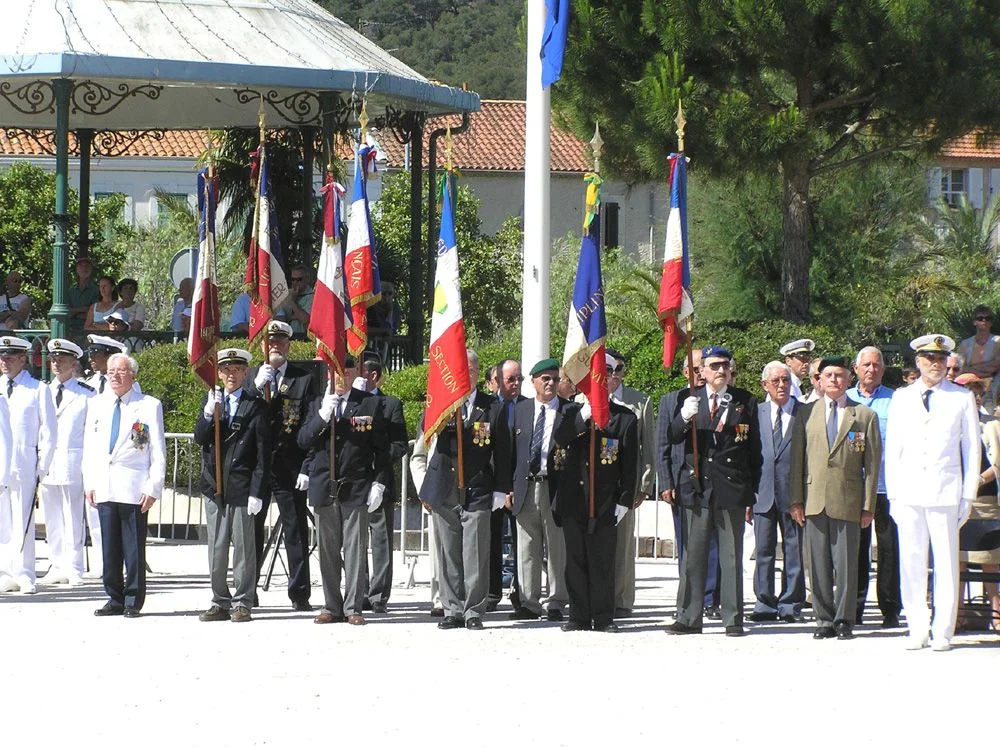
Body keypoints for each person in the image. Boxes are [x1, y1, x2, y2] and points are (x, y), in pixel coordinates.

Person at [885, 334, 980, 651]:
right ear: (918, 362)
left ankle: (943, 631)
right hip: (910, 490)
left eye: (941, 359)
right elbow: (894, 448)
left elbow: (971, 448)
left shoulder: (960, 397)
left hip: (946, 491)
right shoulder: (902, 397)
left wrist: (968, 495)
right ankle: (917, 627)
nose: (936, 365)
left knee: (946, 564)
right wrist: (894, 495)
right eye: (929, 359)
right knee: (911, 561)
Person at [665, 346, 762, 637]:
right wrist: (683, 418)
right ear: (702, 372)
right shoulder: (687, 398)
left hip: (731, 487)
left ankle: (733, 618)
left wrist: (751, 492)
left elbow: (754, 451)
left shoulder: (744, 401)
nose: (721, 370)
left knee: (731, 558)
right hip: (697, 487)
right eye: (715, 366)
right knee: (693, 556)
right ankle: (688, 616)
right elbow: (672, 438)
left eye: (725, 365)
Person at [412, 349, 511, 631]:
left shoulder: (493, 407)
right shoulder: (440, 403)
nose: (464, 374)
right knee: (448, 551)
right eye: (459, 369)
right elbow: (426, 434)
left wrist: (501, 489)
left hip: (479, 486)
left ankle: (473, 610)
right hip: (444, 486)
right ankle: (452, 608)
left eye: (469, 369)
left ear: (478, 373)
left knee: (475, 551)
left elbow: (503, 451)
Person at [790, 356, 882, 641]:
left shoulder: (864, 415)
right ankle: (823, 619)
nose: (833, 380)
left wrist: (868, 506)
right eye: (827, 375)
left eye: (839, 375)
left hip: (848, 500)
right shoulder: (806, 413)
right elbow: (797, 462)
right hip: (814, 498)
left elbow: (872, 464)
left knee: (846, 564)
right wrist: (796, 500)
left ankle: (844, 619)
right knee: (817, 564)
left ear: (848, 380)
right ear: (818, 380)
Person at [299, 355, 391, 626]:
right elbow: (303, 440)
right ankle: (331, 605)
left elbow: (381, 449)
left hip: (356, 484)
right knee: (327, 550)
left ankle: (353, 606)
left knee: (354, 548)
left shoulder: (369, 403)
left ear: (354, 373)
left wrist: (379, 483)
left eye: (346, 369)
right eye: (335, 369)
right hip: (324, 485)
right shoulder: (317, 402)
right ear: (328, 373)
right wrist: (322, 416)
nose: (341, 374)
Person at [553, 364, 638, 633]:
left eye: (609, 373)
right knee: (575, 560)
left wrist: (624, 500)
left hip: (605, 500)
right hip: (574, 498)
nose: (604, 378)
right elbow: (559, 440)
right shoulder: (568, 411)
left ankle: (603, 617)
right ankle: (578, 615)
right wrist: (583, 418)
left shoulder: (624, 417)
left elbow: (630, 463)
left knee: (603, 559)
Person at [84, 352, 166, 617]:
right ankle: (114, 597)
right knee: (109, 547)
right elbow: (90, 448)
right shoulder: (97, 404)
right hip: (105, 484)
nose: (114, 376)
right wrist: (90, 482)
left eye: (120, 371)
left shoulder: (148, 405)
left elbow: (157, 451)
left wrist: (153, 487)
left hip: (134, 486)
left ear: (133, 375)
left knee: (133, 547)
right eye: (110, 371)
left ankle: (133, 599)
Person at [193, 348, 269, 623]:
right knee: (217, 547)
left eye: (236, 370)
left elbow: (262, 453)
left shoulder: (255, 405)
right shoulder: (213, 400)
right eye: (225, 370)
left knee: (244, 549)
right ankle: (219, 599)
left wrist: (257, 491)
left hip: (241, 484)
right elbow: (201, 438)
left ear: (245, 372)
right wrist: (206, 414)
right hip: (215, 485)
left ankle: (243, 600)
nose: (231, 375)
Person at [243, 320, 315, 610]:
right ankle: (247, 590)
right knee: (251, 532)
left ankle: (299, 594)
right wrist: (256, 386)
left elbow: (310, 425)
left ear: (289, 344)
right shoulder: (249, 377)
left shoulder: (303, 379)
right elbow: (242, 415)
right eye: (270, 341)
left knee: (295, 529)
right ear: (263, 344)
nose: (275, 345)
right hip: (256, 468)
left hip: (289, 465)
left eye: (281, 341)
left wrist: (307, 467)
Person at [657, 347, 722, 614]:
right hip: (682, 483)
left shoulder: (720, 399)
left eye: (702, 369)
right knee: (687, 545)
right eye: (694, 370)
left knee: (714, 545)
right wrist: (665, 483)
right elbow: (662, 444)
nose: (699, 375)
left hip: (713, 483)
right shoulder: (671, 400)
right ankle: (688, 598)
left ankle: (710, 599)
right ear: (686, 372)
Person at [507, 358, 569, 622]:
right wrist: (506, 488)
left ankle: (556, 601)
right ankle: (528, 602)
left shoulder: (570, 411)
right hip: (525, 486)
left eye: (555, 379)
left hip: (554, 487)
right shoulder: (519, 410)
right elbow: (508, 451)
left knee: (557, 547)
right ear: (533, 382)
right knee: (526, 547)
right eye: (545, 379)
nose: (551, 384)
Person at [846, 346, 901, 628]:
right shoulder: (846, 399)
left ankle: (890, 608)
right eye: (866, 364)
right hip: (856, 486)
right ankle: (854, 607)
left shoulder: (896, 400)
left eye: (877, 365)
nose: (872, 369)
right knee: (857, 548)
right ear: (856, 369)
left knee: (890, 547)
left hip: (888, 486)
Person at [748, 361, 805, 623]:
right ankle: (765, 603)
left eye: (785, 380)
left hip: (794, 496)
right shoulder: (755, 413)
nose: (782, 385)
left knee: (794, 550)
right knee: (763, 550)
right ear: (764, 386)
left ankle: (791, 604)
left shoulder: (804, 413)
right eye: (776, 381)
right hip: (763, 493)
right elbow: (748, 456)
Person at [0, 336, 56, 594]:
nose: (4, 362)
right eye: (2, 357)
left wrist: (42, 466)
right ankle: (5, 572)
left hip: (24, 463)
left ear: (23, 359)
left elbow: (48, 431)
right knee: (3, 521)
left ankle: (25, 574)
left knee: (23, 520)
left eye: (10, 357)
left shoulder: (37, 389)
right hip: (2, 463)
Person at [38, 339, 94, 587]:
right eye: (53, 359)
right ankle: (56, 563)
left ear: (74, 363)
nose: (56, 363)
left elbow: (92, 433)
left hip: (74, 461)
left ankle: (74, 566)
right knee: (52, 517)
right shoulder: (43, 392)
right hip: (48, 463)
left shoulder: (86, 394)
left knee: (73, 517)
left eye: (62, 359)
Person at [358, 353, 408, 613]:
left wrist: (377, 459)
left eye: (360, 372)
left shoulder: (390, 404)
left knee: (380, 542)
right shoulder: (350, 403)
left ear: (372, 375)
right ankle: (359, 590)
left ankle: (378, 596)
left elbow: (400, 445)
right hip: (353, 481)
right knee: (354, 542)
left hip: (380, 480)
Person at [607, 349, 654, 618]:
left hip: (626, 483)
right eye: (609, 369)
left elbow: (647, 445)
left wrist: (645, 485)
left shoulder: (639, 401)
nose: (614, 374)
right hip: (595, 482)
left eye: (619, 369)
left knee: (623, 545)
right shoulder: (584, 399)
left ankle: (622, 600)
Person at [488, 358, 525, 612]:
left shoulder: (527, 407)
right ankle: (491, 592)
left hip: (519, 485)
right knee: (491, 540)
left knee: (523, 543)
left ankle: (522, 594)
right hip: (491, 486)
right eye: (510, 379)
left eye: (519, 379)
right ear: (495, 382)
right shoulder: (487, 407)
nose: (516, 384)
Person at [276, 265, 314, 335]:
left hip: (303, 337)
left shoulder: (312, 297)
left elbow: (306, 320)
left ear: (307, 279)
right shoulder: (285, 294)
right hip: (285, 337)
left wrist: (292, 301)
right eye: (293, 279)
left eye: (299, 279)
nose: (295, 282)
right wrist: (294, 316)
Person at [68, 257, 100, 333]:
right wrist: (84, 309)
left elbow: (95, 312)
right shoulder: (70, 290)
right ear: (77, 269)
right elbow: (67, 312)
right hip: (70, 328)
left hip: (89, 329)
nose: (84, 268)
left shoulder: (97, 290)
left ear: (91, 269)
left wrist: (75, 312)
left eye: (87, 266)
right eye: (81, 266)